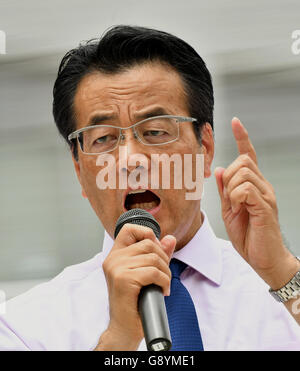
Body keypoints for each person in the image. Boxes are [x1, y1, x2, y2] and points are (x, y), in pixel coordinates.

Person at [0, 25, 300, 351]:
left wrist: (282, 273)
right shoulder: (25, 326)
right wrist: (118, 340)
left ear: (205, 148)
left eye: (155, 131)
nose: (131, 160)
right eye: (103, 138)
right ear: (78, 170)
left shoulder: (281, 287)